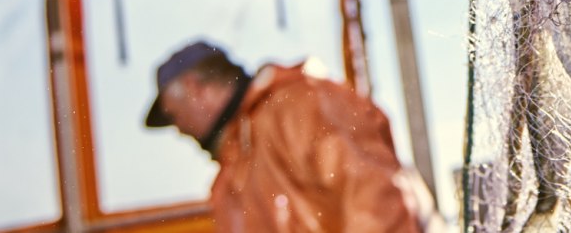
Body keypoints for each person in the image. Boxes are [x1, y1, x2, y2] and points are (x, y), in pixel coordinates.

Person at [146, 40, 432, 232]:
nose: (179, 129)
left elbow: (375, 197)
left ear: (197, 89)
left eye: (174, 115)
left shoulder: (300, 107)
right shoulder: (231, 174)